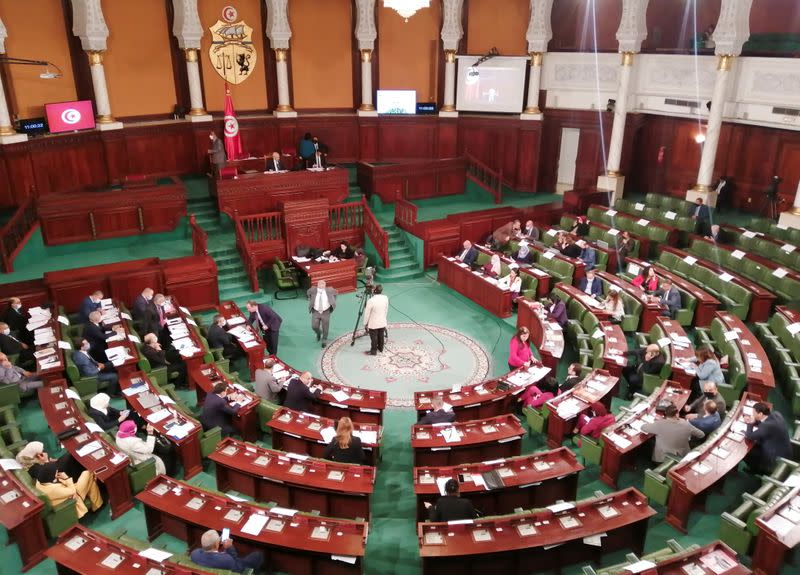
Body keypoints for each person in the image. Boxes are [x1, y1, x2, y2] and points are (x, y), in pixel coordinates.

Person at [34, 463, 103, 519]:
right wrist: (67, 478)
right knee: (87, 473)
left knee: (90, 481)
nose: (56, 474)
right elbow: (72, 491)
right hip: (74, 498)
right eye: (56, 473)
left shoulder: (39, 482)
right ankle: (97, 505)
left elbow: (59, 486)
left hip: (66, 493)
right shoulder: (53, 489)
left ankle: (97, 505)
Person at [743, 402, 792, 475]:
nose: (752, 414)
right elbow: (763, 424)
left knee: (746, 452)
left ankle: (756, 470)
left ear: (760, 414)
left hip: (775, 458)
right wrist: (756, 420)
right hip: (785, 452)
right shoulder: (776, 414)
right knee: (756, 444)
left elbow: (750, 436)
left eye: (754, 413)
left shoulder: (766, 426)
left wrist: (750, 422)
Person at [190, 529, 265, 574]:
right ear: (217, 544)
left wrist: (215, 542)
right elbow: (234, 561)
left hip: (218, 562)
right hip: (237, 567)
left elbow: (205, 549)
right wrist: (230, 547)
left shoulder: (194, 554)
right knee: (258, 555)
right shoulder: (226, 560)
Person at [308, 280, 337, 348]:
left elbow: (336, 293)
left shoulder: (330, 290)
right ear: (317, 285)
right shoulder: (312, 290)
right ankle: (319, 333)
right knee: (314, 326)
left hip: (326, 311)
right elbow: (308, 293)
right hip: (316, 311)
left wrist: (333, 301)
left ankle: (324, 339)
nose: (321, 285)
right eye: (320, 284)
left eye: (323, 284)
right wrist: (310, 299)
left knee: (325, 327)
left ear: (325, 285)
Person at [363, 285, 389, 356]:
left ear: (374, 291)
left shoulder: (371, 301)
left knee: (374, 337)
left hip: (373, 323)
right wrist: (384, 318)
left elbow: (367, 314)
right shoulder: (385, 298)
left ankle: (373, 351)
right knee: (381, 335)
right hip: (382, 321)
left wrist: (365, 323)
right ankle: (381, 348)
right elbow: (386, 310)